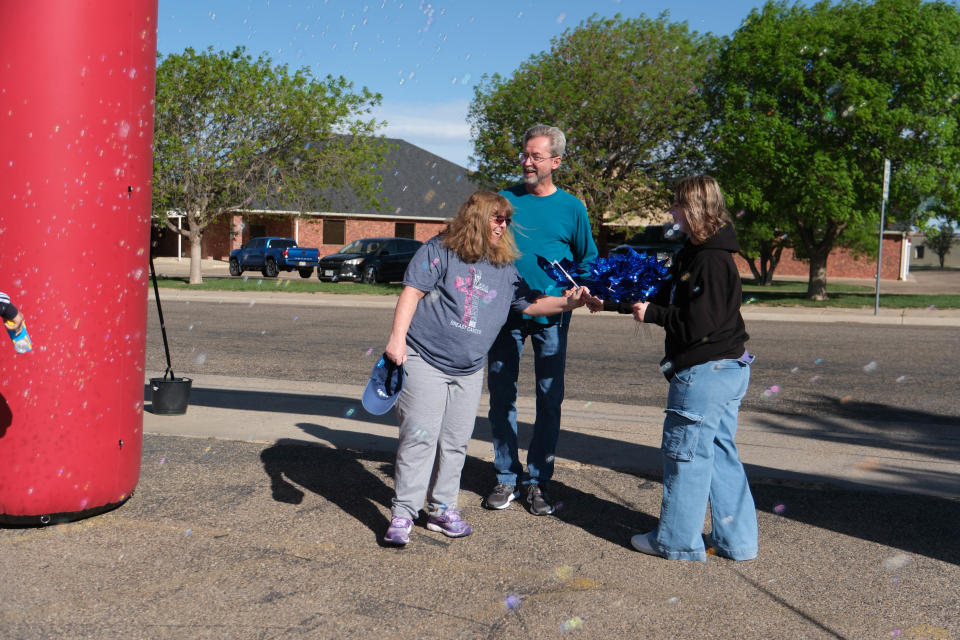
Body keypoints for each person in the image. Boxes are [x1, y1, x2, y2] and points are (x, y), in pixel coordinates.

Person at [380, 191, 599, 546]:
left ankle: (442, 510)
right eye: (497, 217)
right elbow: (411, 292)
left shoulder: (503, 265)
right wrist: (396, 340)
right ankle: (403, 514)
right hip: (425, 359)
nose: (503, 225)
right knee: (420, 438)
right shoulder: (440, 250)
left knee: (454, 443)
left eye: (506, 220)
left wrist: (571, 302)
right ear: (477, 217)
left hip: (467, 370)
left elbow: (529, 305)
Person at [628, 175, 758, 562]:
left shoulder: (710, 260)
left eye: (678, 204)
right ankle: (738, 542)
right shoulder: (704, 253)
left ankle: (676, 542)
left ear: (695, 208)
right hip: (727, 368)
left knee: (686, 457)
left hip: (706, 371)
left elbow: (699, 326)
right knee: (718, 454)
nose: (672, 211)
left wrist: (653, 314)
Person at [485, 124, 598, 516]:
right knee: (502, 397)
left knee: (549, 399)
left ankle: (537, 482)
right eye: (525, 154)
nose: (527, 162)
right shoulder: (504, 200)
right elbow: (485, 246)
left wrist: (578, 289)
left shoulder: (572, 208)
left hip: (553, 316)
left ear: (556, 162)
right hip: (506, 313)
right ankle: (506, 477)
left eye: (536, 156)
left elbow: (588, 260)